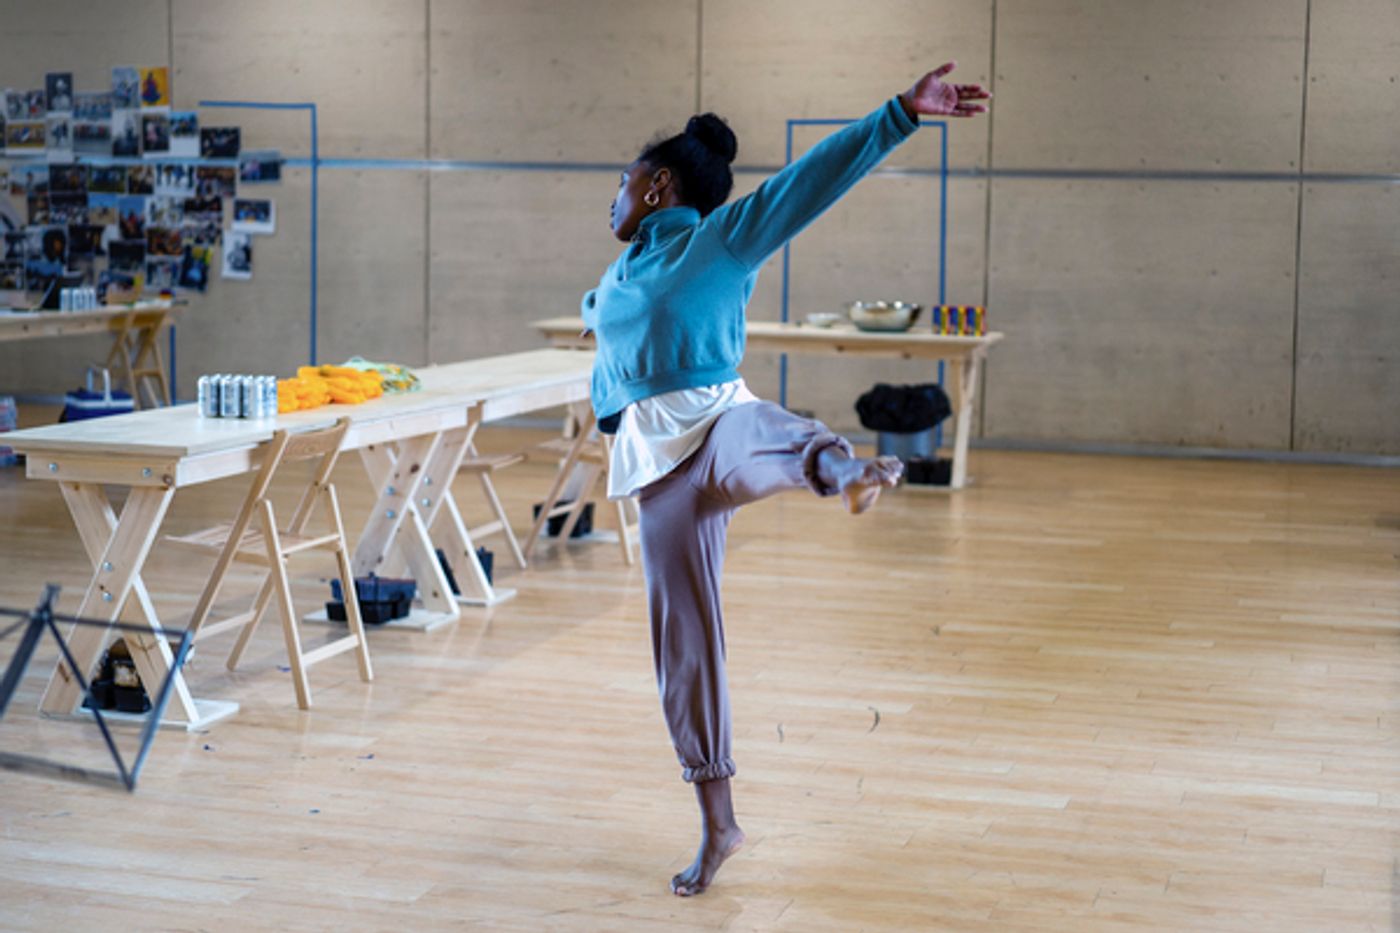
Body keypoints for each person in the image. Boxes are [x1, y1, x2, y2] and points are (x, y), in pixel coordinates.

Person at [580, 63, 989, 896]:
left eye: (621, 184)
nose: (611, 200)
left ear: (659, 186)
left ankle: (844, 468)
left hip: (718, 424)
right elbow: (607, 349)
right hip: (659, 471)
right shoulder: (613, 282)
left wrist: (901, 114)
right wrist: (611, 409)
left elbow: (809, 183)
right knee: (685, 654)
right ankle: (719, 822)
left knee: (763, 429)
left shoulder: (720, 240)